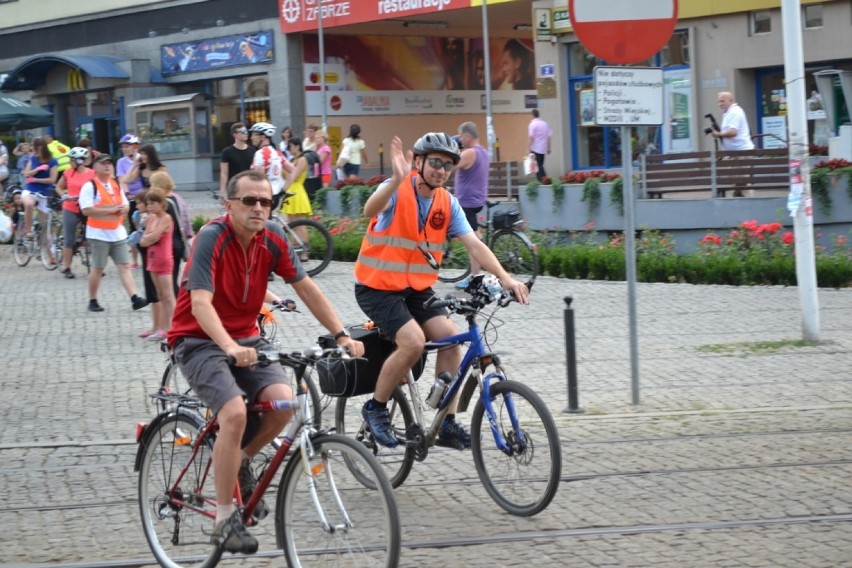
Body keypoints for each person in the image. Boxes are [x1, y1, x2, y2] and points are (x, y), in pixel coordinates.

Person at [166, 169, 364, 554]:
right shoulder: (212, 237)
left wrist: (341, 335)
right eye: (249, 201)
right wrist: (227, 345)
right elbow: (201, 303)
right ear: (229, 204)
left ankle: (239, 458)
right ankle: (224, 519)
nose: (259, 208)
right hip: (199, 340)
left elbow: (306, 288)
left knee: (283, 403)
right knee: (235, 413)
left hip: (248, 340)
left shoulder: (272, 237)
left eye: (266, 201)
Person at [353, 133, 529, 448]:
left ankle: (445, 421)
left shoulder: (447, 202)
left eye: (447, 166)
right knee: (413, 343)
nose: (441, 170)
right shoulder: (397, 188)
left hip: (415, 288)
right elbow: (369, 209)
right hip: (376, 287)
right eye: (435, 162)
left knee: (451, 341)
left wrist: (505, 278)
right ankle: (375, 408)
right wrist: (394, 179)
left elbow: (474, 244)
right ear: (418, 161)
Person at [78, 154, 148, 313]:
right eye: (103, 164)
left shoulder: (115, 184)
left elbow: (126, 204)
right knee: (98, 268)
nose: (108, 166)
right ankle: (93, 300)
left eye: (110, 163)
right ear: (95, 168)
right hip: (98, 234)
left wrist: (124, 209)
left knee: (124, 266)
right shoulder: (90, 186)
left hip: (117, 233)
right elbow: (86, 210)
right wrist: (111, 210)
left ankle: (135, 298)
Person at [452, 121, 489, 289]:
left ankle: (475, 277)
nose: (459, 139)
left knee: (471, 241)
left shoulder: (469, 153)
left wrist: (450, 147)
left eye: (460, 136)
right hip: (477, 199)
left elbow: (450, 165)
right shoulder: (483, 152)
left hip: (467, 201)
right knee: (474, 235)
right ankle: (482, 258)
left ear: (467, 137)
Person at [139, 188, 175, 341]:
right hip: (152, 259)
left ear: (161, 203)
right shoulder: (152, 218)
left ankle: (172, 328)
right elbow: (143, 239)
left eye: (153, 203)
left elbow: (154, 236)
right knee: (159, 295)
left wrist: (149, 238)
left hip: (164, 259)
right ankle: (162, 328)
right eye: (148, 204)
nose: (150, 207)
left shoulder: (166, 218)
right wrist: (149, 238)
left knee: (168, 296)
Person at [54, 146, 95, 278]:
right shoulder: (67, 173)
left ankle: (97, 266)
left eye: (72, 160)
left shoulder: (91, 173)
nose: (70, 162)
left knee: (94, 236)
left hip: (86, 207)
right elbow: (59, 188)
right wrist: (63, 195)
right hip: (71, 206)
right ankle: (67, 267)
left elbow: (97, 188)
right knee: (69, 238)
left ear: (79, 161)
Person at [21, 137, 58, 255]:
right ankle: (28, 230)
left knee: (46, 225)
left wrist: (36, 179)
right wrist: (35, 170)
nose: (38, 153)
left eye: (40, 150)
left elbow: (52, 179)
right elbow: (26, 174)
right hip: (31, 189)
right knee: (29, 203)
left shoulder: (52, 161)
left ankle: (51, 254)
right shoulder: (33, 159)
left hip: (45, 192)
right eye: (37, 150)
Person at [116, 134, 144, 268]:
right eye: (123, 147)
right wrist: (127, 193)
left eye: (127, 146)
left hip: (143, 195)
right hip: (132, 196)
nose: (125, 149)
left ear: (135, 147)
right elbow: (122, 180)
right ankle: (134, 259)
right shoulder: (121, 162)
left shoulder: (142, 159)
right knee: (134, 227)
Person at [280, 137, 313, 250]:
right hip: (290, 190)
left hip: (297, 190)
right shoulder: (293, 160)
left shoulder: (302, 159)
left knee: (299, 222)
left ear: (297, 146)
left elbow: (296, 175)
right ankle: (295, 248)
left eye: (290, 146)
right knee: (291, 223)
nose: (289, 149)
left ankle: (304, 249)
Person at [249, 122, 290, 211]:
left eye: (254, 135)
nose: (251, 137)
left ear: (263, 137)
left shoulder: (260, 153)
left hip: (265, 196)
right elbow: (293, 170)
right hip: (275, 194)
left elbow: (258, 179)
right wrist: (284, 188)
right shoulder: (277, 153)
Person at [219, 122, 256, 200]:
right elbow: (224, 173)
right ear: (235, 134)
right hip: (234, 187)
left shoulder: (253, 150)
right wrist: (222, 192)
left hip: (249, 186)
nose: (246, 134)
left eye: (246, 132)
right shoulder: (227, 152)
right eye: (243, 132)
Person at [528, 109, 552, 183]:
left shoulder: (532, 124)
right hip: (543, 148)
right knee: (539, 165)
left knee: (537, 166)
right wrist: (548, 148)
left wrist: (528, 148)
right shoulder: (545, 124)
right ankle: (542, 180)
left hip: (535, 148)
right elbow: (549, 136)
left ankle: (544, 180)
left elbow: (531, 137)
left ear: (532, 115)